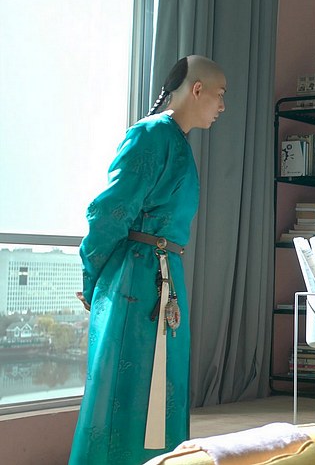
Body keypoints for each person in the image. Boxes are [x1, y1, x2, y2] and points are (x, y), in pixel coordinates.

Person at [69, 55, 226, 465]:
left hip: (162, 276)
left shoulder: (176, 141)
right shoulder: (152, 134)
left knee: (160, 383)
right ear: (197, 89)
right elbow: (108, 211)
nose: (222, 106)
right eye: (220, 95)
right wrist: (93, 280)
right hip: (137, 280)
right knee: (128, 387)